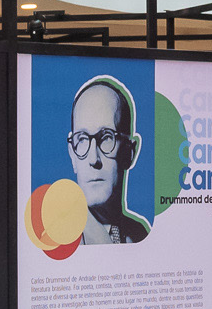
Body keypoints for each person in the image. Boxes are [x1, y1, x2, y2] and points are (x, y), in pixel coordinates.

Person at [65, 75, 152, 244]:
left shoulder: (141, 235)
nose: (93, 159)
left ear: (129, 152)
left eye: (106, 137)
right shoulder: (61, 239)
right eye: (82, 139)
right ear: (72, 156)